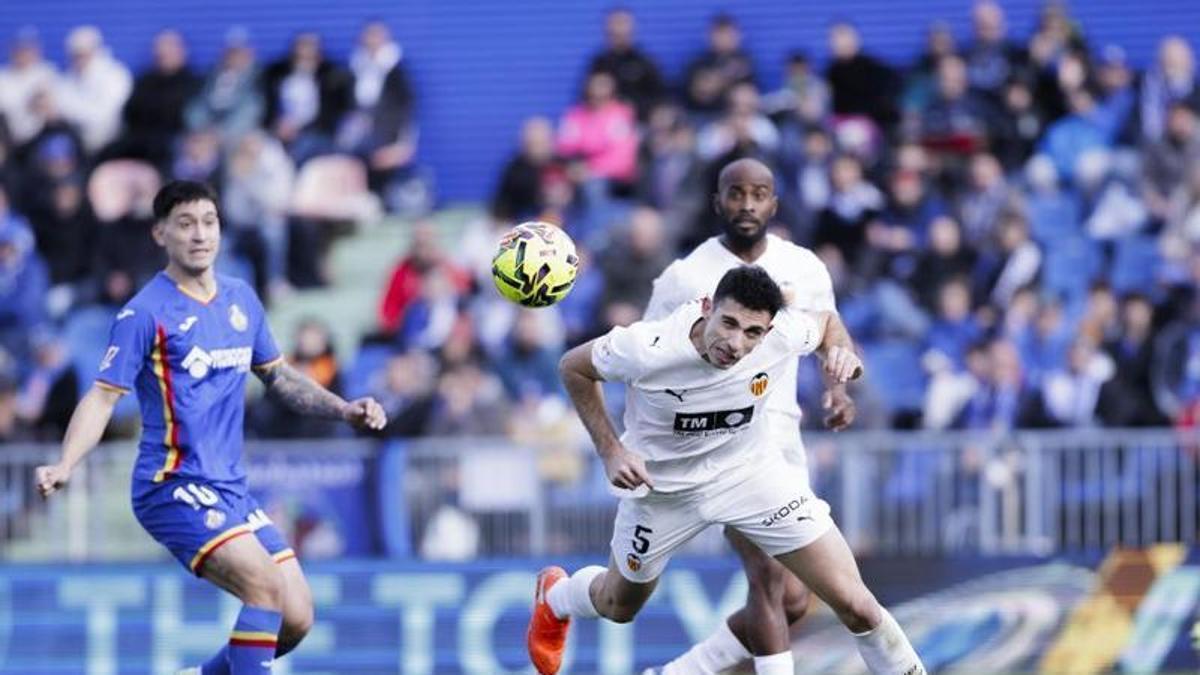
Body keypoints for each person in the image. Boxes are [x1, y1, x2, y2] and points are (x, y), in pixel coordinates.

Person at [34, 180, 386, 675]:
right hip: (172, 485)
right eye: (185, 223)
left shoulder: (241, 299)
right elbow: (102, 396)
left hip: (231, 489)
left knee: (298, 615)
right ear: (160, 234)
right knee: (263, 587)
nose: (199, 234)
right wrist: (66, 463)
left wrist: (344, 409)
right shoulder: (144, 312)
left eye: (208, 221)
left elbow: (279, 377)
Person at [527, 266, 926, 675]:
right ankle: (557, 596)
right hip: (662, 492)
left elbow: (826, 322)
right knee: (618, 604)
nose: (735, 343)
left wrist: (840, 350)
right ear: (706, 308)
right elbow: (573, 367)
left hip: (749, 476)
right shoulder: (646, 347)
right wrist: (611, 451)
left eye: (752, 332)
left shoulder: (783, 334)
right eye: (729, 323)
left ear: (768, 332)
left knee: (857, 605)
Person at [642, 158, 856, 673]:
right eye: (736, 194)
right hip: (726, 444)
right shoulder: (683, 277)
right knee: (764, 575)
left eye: (759, 195)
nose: (747, 205)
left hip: (783, 436)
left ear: (774, 204)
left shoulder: (804, 267)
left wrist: (839, 389)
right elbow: (649, 357)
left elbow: (830, 330)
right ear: (719, 202)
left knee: (796, 600)